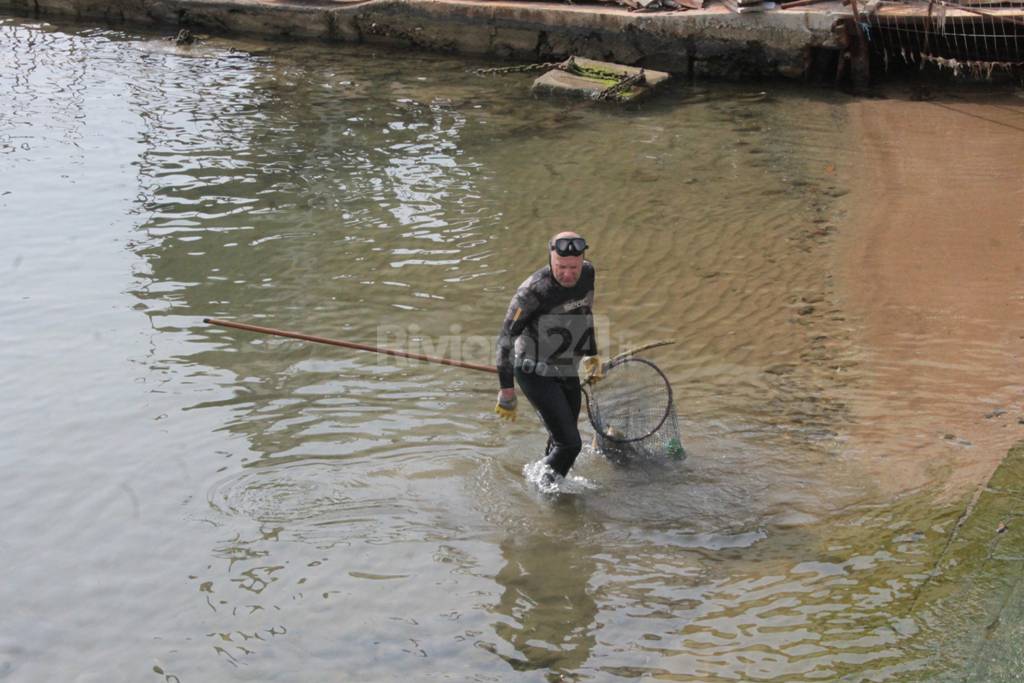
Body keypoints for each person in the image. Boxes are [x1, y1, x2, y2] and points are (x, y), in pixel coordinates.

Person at [494, 231, 604, 481]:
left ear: (583, 259)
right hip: (534, 371)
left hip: (566, 368)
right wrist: (507, 391)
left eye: (573, 267)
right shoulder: (532, 292)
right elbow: (505, 341)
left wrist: (591, 355)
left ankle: (552, 481)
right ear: (550, 259)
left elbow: (585, 314)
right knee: (570, 445)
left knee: (562, 438)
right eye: (561, 267)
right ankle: (544, 492)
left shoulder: (588, 273)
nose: (568, 274)